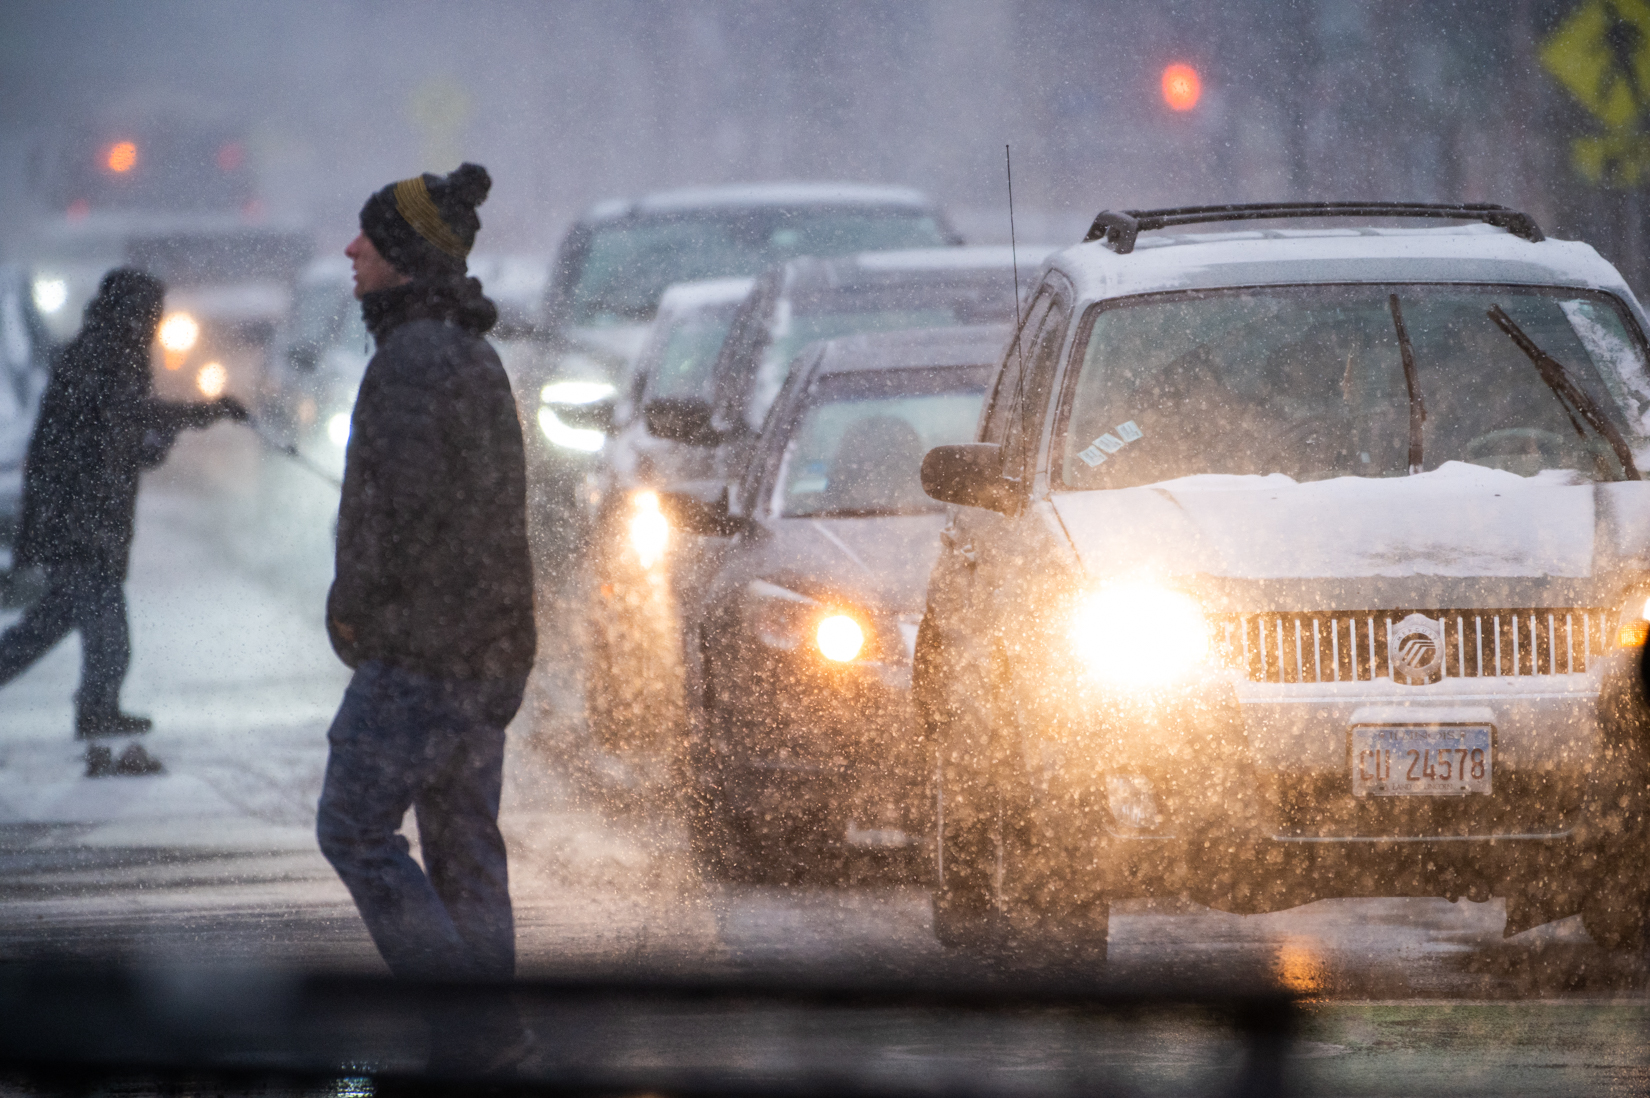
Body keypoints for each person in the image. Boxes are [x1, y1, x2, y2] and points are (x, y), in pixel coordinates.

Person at [314, 163, 536, 1071]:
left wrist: (356, 613)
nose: (351, 250)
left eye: (367, 237)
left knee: (354, 829)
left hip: (423, 653)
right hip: (483, 649)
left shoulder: (409, 361)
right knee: (461, 846)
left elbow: (395, 520)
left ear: (403, 256)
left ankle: (467, 1026)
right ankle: (493, 1039)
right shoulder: (468, 353)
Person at [0, 268, 246, 770]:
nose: (153, 324)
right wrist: (199, 414)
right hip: (79, 517)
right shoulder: (103, 356)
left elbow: (127, 440)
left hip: (85, 514)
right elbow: (124, 423)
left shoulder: (109, 353)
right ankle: (98, 710)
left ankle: (96, 707)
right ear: (133, 312)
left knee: (52, 620)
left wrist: (177, 427)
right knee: (105, 625)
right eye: (150, 313)